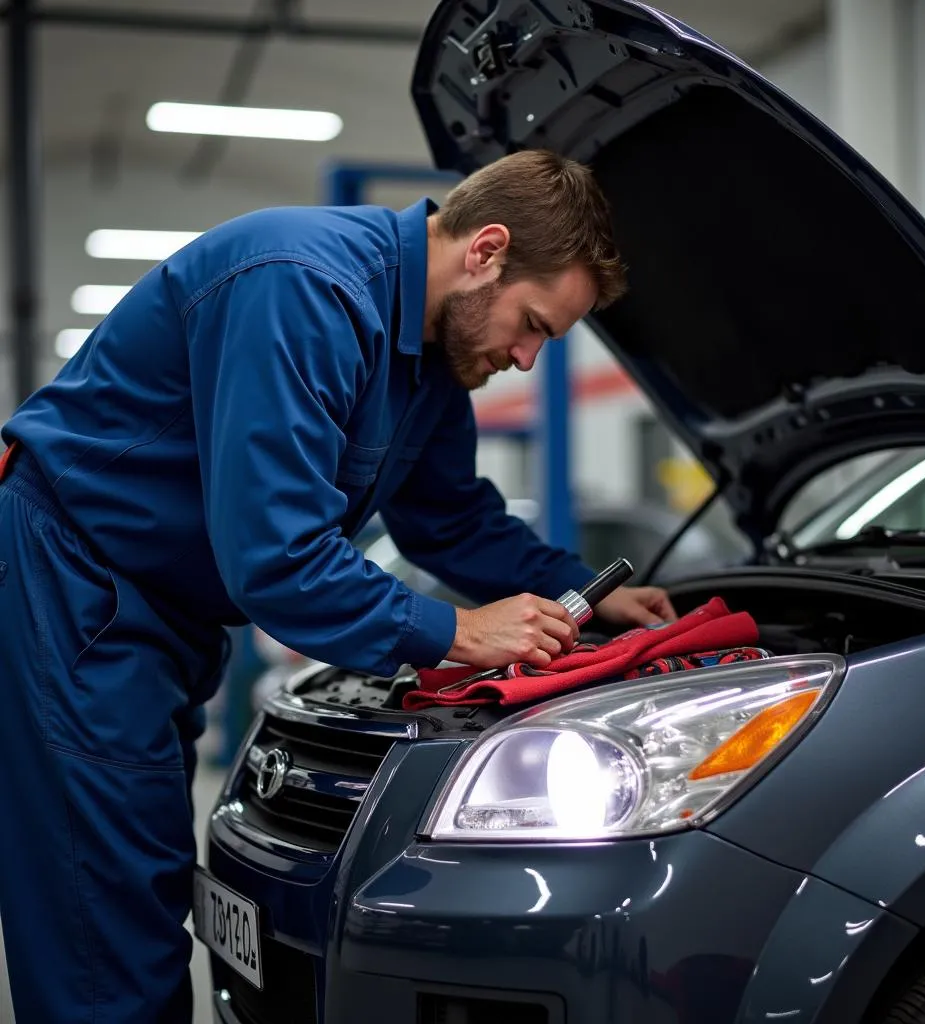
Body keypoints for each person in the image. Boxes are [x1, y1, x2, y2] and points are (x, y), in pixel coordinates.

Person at [0, 148, 676, 1022]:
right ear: (486, 251)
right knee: (103, 918)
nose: (526, 355)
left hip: (162, 611)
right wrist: (462, 634)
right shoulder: (302, 288)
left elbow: (452, 522)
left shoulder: (431, 357)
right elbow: (277, 560)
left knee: (141, 875)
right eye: (535, 324)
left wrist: (589, 590)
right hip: (75, 584)